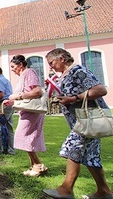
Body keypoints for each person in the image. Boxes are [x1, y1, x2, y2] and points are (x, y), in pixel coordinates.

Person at [43, 48, 112, 199]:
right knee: (91, 156)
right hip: (82, 122)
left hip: (87, 121)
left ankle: (66, 189)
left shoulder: (77, 71)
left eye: (51, 62)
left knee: (72, 147)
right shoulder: (64, 76)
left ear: (62, 58)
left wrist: (74, 98)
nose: (50, 66)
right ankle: (104, 191)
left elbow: (100, 90)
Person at [3, 55, 47, 177]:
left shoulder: (29, 72)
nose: (12, 69)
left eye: (13, 66)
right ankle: (34, 166)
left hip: (32, 112)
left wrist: (18, 96)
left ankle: (38, 165)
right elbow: (25, 94)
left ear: (20, 65)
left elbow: (37, 91)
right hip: (27, 111)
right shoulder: (23, 75)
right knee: (25, 137)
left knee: (23, 136)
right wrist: (11, 101)